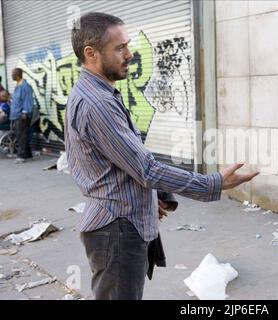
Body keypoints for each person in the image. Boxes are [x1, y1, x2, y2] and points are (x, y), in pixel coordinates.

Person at [65, 12, 259, 300]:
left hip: (120, 221)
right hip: (117, 228)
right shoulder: (97, 104)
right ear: (91, 53)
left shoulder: (98, 94)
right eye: (120, 48)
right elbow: (146, 168)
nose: (130, 54)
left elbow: (116, 163)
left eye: (127, 45)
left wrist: (149, 196)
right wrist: (211, 183)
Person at [10, 68, 34, 163]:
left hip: (22, 115)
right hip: (16, 114)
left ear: (18, 75)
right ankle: (28, 155)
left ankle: (21, 156)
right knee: (21, 135)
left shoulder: (25, 86)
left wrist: (25, 112)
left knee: (21, 136)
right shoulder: (17, 85)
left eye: (13, 73)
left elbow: (28, 100)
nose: (11, 75)